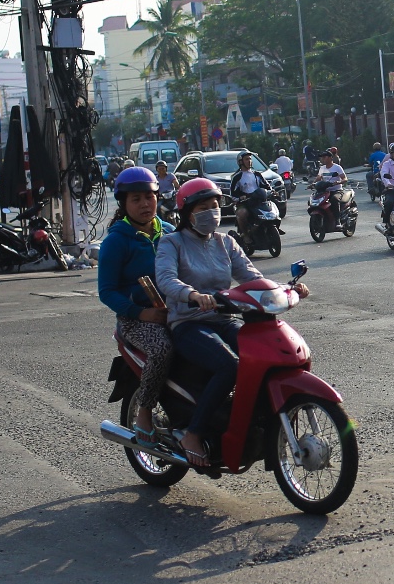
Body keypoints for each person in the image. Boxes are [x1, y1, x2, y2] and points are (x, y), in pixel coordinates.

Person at [156, 178, 272, 468]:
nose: (212, 212)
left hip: (223, 318)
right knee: (228, 365)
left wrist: (285, 289)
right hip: (188, 323)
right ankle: (193, 433)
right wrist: (192, 294)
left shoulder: (226, 242)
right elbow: (166, 278)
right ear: (187, 213)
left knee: (264, 355)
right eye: (204, 207)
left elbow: (251, 276)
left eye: (216, 206)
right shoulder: (172, 242)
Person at [98, 167, 173, 438]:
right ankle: (144, 413)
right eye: (136, 199)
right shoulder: (116, 242)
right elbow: (107, 291)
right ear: (124, 203)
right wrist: (142, 313)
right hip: (135, 321)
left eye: (149, 197)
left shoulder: (171, 234)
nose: (144, 204)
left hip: (177, 313)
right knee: (162, 349)